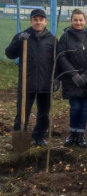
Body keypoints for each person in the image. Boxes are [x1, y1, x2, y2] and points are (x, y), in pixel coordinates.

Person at [5, 9, 56, 146]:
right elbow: (9, 54)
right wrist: (19, 41)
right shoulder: (22, 36)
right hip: (27, 82)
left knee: (44, 114)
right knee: (22, 112)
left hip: (45, 83)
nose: (38, 22)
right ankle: (19, 138)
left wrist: (57, 79)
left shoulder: (52, 40)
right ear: (31, 21)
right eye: (35, 19)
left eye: (41, 20)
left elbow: (57, 61)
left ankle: (39, 136)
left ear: (45, 22)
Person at [57, 9, 87, 148]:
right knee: (75, 107)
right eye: (75, 20)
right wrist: (73, 74)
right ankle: (73, 132)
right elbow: (61, 56)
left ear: (85, 21)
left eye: (80, 20)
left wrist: (86, 74)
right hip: (72, 80)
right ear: (71, 21)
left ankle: (81, 133)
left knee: (85, 107)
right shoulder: (65, 37)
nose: (78, 22)